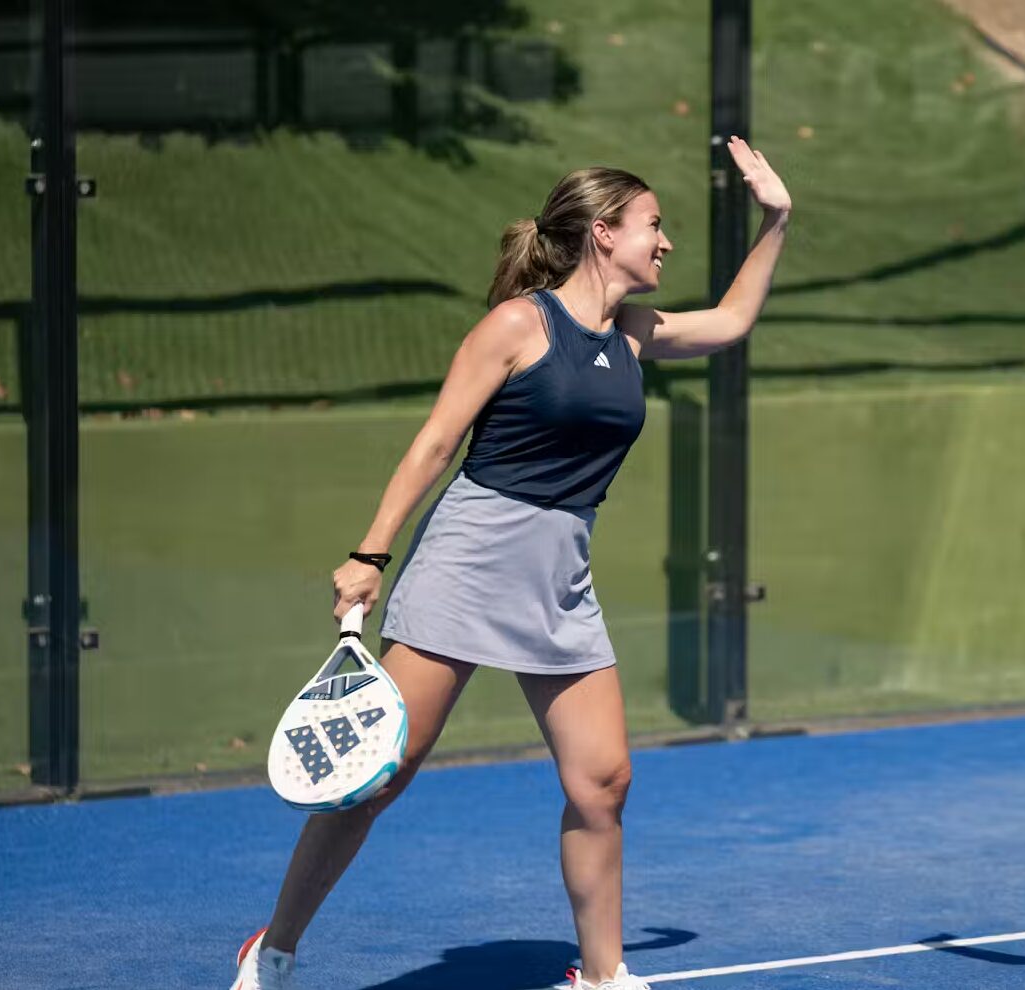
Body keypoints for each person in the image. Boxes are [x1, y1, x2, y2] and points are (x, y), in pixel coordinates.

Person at [231, 137, 792, 990]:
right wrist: (369, 552)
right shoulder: (517, 325)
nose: (665, 241)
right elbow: (436, 442)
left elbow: (734, 321)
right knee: (376, 777)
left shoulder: (636, 333)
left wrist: (777, 218)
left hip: (560, 573)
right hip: (468, 557)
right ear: (604, 233)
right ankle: (273, 950)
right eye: (653, 225)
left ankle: (601, 977)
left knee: (604, 781)